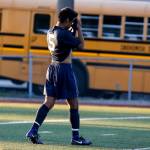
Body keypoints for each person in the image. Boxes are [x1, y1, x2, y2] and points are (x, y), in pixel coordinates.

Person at [26, 7, 92, 146]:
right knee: (73, 104)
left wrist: (72, 29)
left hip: (52, 68)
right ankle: (75, 137)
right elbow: (82, 45)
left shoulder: (50, 31)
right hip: (64, 69)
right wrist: (79, 29)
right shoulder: (64, 34)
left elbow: (64, 41)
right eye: (72, 21)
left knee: (48, 102)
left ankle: (33, 130)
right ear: (67, 19)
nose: (72, 23)